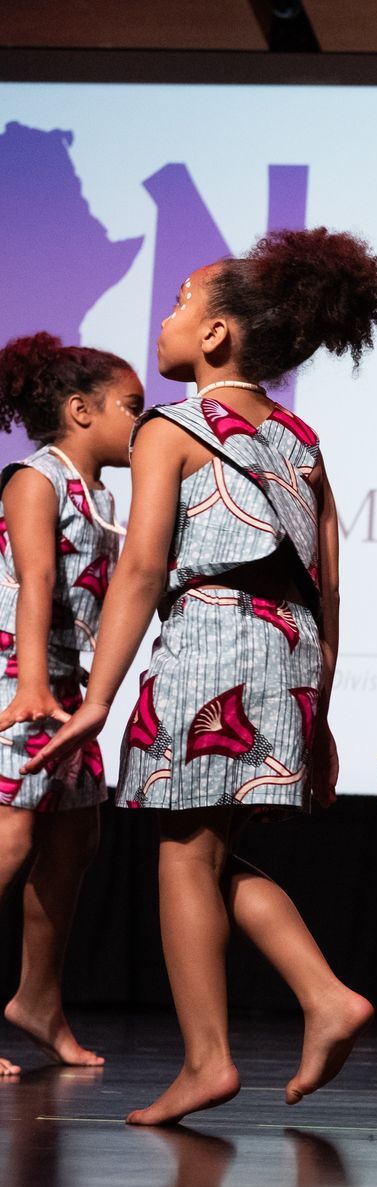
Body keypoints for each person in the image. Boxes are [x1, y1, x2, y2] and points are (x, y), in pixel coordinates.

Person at [28, 229, 377, 1124]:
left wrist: (101, 698)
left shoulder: (171, 428)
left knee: (180, 852)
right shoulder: (301, 438)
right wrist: (323, 714)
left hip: (213, 642)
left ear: (219, 333)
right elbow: (328, 584)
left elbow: (144, 570)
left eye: (182, 301)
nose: (167, 315)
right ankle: (324, 994)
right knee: (213, 850)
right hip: (291, 655)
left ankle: (207, 1059)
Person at [0, 333, 141, 1075]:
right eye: (131, 408)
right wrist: (29, 682)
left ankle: (38, 1000)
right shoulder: (35, 479)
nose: (140, 422)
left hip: (66, 687)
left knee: (74, 842)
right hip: (17, 680)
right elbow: (35, 581)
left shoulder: (106, 497)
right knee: (12, 841)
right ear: (80, 411)